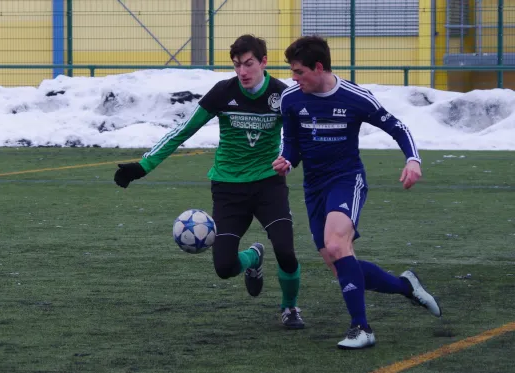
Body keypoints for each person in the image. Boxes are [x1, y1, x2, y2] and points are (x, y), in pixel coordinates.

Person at [114, 34, 305, 329]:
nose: (242, 71)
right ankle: (253, 258)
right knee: (224, 267)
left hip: (269, 185)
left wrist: (290, 159)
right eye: (237, 64)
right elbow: (182, 130)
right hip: (228, 189)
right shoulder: (222, 92)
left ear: (264, 62)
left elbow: (299, 138)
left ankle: (290, 307)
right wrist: (143, 166)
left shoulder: (283, 96)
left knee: (286, 251)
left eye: (249, 64)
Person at [272, 35, 442, 348]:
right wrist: (287, 161)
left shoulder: (355, 97)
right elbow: (292, 144)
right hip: (314, 188)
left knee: (337, 245)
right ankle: (406, 286)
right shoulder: (291, 99)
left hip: (347, 180)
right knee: (339, 265)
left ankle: (361, 329)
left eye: (298, 72)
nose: (293, 79)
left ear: (319, 67)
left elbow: (398, 127)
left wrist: (413, 160)